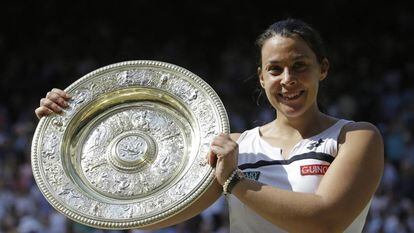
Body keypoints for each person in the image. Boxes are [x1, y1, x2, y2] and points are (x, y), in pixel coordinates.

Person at [35, 18, 384, 233]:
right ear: (262, 78)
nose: (288, 79)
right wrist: (68, 127)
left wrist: (234, 182)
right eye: (275, 69)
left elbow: (325, 223)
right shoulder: (235, 147)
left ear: (323, 68)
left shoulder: (355, 137)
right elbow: (147, 214)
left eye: (300, 65)